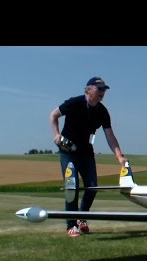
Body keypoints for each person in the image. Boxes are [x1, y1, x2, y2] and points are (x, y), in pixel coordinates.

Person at [49, 76, 128, 237]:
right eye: (100, 89)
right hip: (68, 151)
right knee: (73, 187)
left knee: (92, 187)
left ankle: (81, 218)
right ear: (89, 89)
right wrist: (56, 134)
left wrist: (119, 155)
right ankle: (71, 225)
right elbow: (53, 115)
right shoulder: (74, 103)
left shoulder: (102, 111)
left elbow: (110, 136)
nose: (102, 92)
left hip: (86, 153)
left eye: (104, 90)